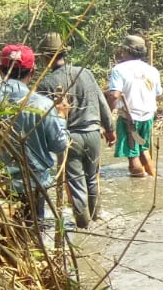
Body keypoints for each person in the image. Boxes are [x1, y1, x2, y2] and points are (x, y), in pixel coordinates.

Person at [0, 44, 68, 227]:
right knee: (31, 239)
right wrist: (61, 117)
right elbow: (59, 145)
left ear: (0, 69)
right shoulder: (43, 105)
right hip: (32, 186)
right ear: (33, 71)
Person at [37, 32, 116, 228]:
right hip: (93, 134)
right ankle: (96, 218)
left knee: (76, 182)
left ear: (46, 58)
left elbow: (44, 118)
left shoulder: (46, 83)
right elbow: (101, 102)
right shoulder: (85, 73)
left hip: (70, 136)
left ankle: (83, 225)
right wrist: (110, 128)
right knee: (92, 178)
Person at [106, 34, 161, 178]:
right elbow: (158, 93)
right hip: (148, 117)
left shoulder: (119, 69)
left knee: (132, 156)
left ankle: (140, 185)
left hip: (129, 118)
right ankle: (153, 177)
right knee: (143, 148)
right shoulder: (152, 70)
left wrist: (106, 116)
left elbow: (114, 95)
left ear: (126, 51)